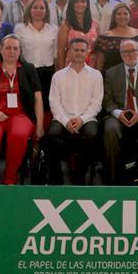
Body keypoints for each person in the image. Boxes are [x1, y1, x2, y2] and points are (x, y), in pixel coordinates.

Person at [0, 34, 43, 185]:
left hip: (21, 115)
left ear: (20, 51)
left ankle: (10, 176)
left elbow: (38, 98)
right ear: (1, 50)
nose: (11, 51)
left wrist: (39, 126)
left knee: (18, 135)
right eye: (8, 48)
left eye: (15, 48)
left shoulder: (29, 69)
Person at [45, 38, 103, 185]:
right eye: (75, 50)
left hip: (87, 118)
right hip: (62, 117)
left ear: (87, 52)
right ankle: (56, 176)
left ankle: (79, 174)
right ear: (69, 51)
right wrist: (66, 121)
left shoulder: (96, 75)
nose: (79, 53)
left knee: (91, 134)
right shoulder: (58, 76)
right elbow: (54, 102)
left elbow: (96, 103)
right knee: (53, 134)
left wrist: (82, 119)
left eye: (82, 50)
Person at [102, 39, 138, 184]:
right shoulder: (111, 73)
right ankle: (112, 179)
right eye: (126, 51)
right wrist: (118, 113)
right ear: (121, 54)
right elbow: (107, 99)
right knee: (110, 130)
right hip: (117, 113)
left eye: (133, 50)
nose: (130, 54)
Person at [95, 3, 138, 72]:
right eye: (118, 14)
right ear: (114, 16)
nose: (122, 16)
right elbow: (100, 61)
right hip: (111, 76)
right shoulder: (105, 37)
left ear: (130, 16)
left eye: (125, 14)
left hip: (136, 75)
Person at [57, 0, 98, 68]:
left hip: (91, 67)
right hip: (71, 67)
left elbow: (98, 50)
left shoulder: (96, 24)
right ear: (71, 3)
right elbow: (61, 51)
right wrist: (61, 71)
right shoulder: (66, 25)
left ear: (87, 4)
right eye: (76, 1)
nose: (80, 4)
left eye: (83, 1)